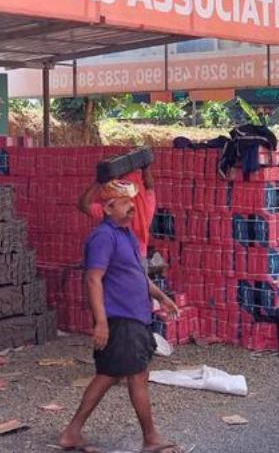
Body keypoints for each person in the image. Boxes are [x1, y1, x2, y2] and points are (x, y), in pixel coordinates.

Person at [60, 180, 182, 453]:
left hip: (133, 317)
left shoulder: (125, 234)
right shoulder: (104, 236)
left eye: (131, 203)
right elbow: (93, 279)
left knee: (108, 375)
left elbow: (136, 274)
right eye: (125, 203)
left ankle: (72, 433)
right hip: (120, 318)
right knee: (134, 375)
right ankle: (150, 438)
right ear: (108, 207)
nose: (132, 208)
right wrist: (101, 322)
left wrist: (161, 296)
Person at [79, 158, 157, 257]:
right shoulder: (146, 207)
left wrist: (98, 181)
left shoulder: (114, 208)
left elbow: (83, 205)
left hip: (119, 259)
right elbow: (150, 187)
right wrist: (146, 167)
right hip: (140, 259)